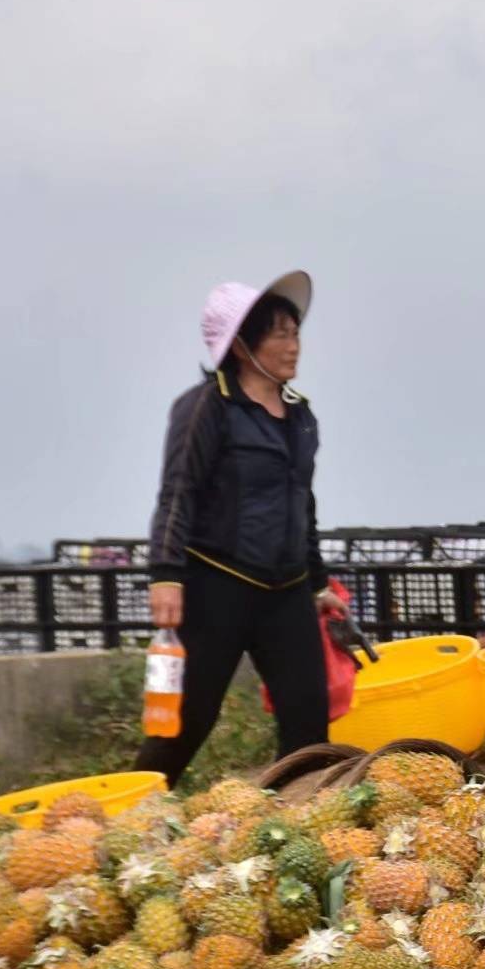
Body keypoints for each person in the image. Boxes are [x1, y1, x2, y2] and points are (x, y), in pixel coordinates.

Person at [135, 271, 344, 786]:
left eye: (295, 333)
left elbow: (302, 503)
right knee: (185, 721)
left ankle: (292, 817)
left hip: (287, 591)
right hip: (217, 585)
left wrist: (318, 584)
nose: (293, 346)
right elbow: (178, 492)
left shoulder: (300, 416)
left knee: (309, 722)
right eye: (279, 335)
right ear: (242, 346)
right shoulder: (205, 407)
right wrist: (165, 575)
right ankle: (129, 815)